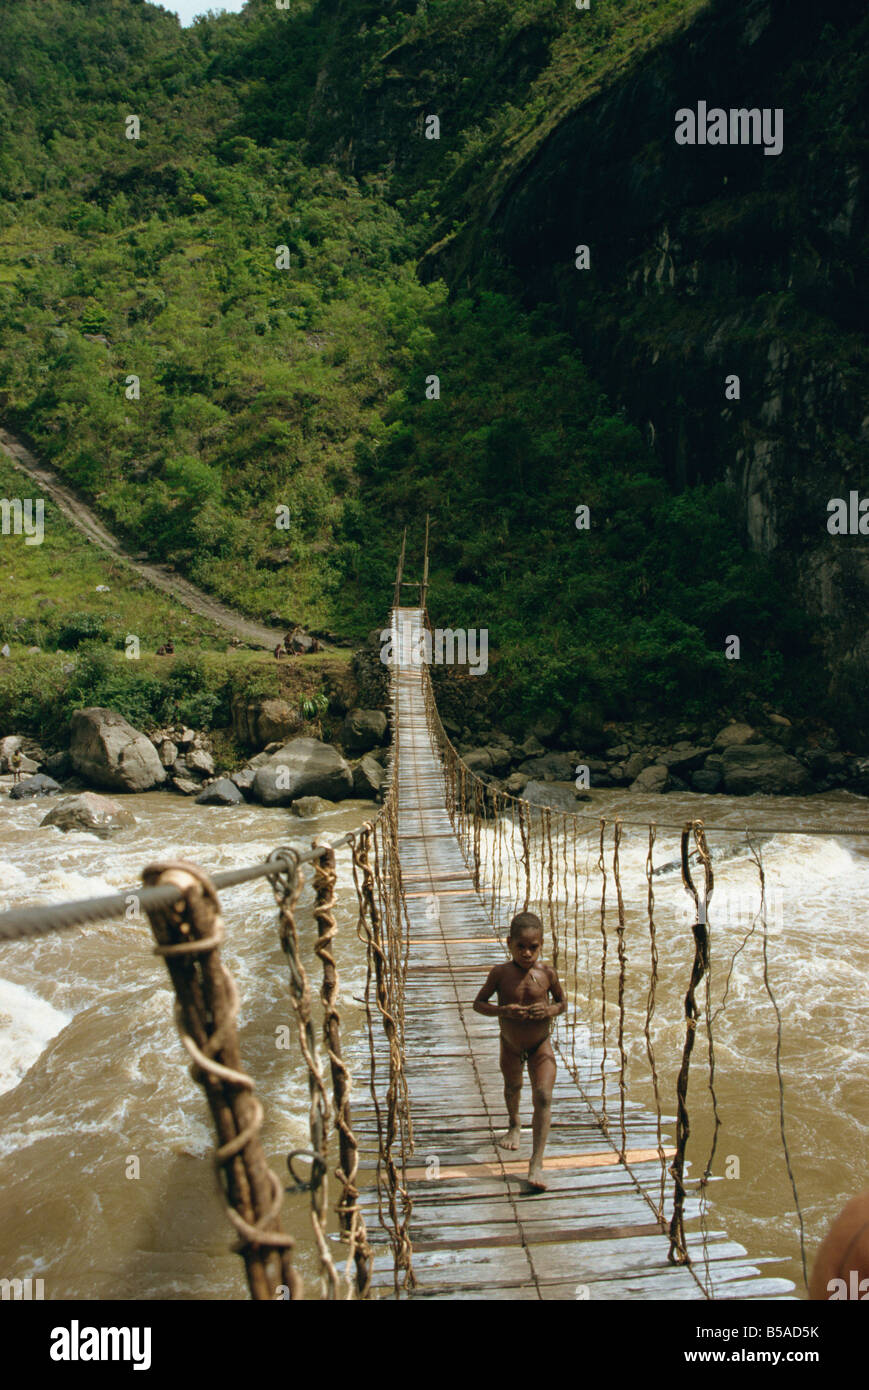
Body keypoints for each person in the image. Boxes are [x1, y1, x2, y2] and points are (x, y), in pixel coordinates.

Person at [473, 911, 566, 1191]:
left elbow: (563, 1003)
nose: (527, 953)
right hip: (510, 1044)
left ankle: (536, 1162)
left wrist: (549, 1009)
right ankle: (514, 1124)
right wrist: (503, 1010)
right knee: (513, 1086)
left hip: (541, 1045)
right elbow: (478, 1003)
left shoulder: (547, 973)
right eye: (520, 947)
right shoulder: (500, 974)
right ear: (509, 943)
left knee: (543, 1096)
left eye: (533, 947)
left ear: (542, 944)